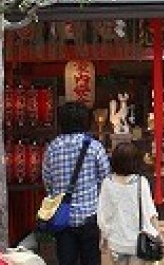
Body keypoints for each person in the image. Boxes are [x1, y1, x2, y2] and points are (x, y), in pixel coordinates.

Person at [43, 101, 111, 265]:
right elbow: (106, 180)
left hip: (62, 219)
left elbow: (48, 183)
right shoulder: (95, 147)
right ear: (85, 121)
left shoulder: (52, 148)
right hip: (89, 217)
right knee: (91, 261)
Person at [97, 142, 162, 264]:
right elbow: (150, 212)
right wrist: (159, 235)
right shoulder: (141, 182)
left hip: (116, 241)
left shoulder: (107, 183)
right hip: (139, 243)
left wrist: (103, 237)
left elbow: (103, 214)